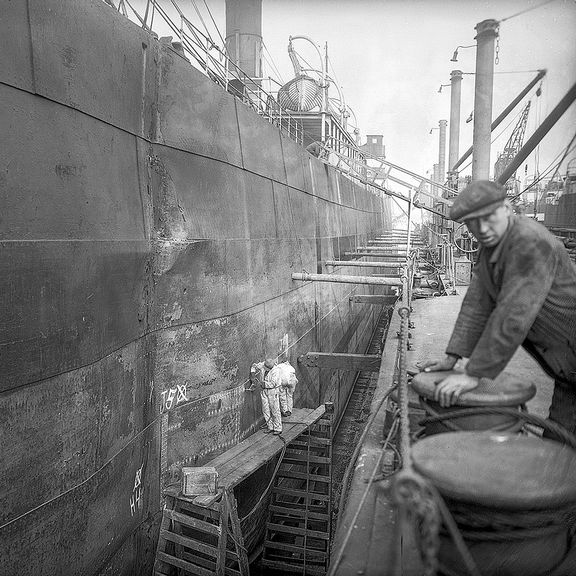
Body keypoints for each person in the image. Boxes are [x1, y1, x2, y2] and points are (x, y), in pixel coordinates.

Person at [420, 180, 576, 438]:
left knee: (562, 446)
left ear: (507, 208)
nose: (482, 229)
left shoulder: (529, 241)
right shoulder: (491, 248)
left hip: (569, 355)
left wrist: (474, 373)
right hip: (567, 366)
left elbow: (513, 313)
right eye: (472, 222)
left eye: (488, 218)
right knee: (560, 443)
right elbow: (476, 305)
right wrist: (453, 356)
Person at [250, 358, 282, 435]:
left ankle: (278, 428)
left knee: (275, 410)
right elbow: (253, 367)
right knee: (265, 409)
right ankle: (270, 427)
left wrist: (261, 384)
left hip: (273, 391)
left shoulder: (276, 371)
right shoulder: (263, 365)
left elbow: (273, 384)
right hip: (264, 391)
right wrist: (253, 376)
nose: (264, 369)